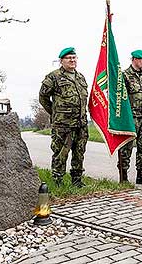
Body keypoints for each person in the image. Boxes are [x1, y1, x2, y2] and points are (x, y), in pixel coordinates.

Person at [39, 47, 89, 187]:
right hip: (63, 125)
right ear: (61, 61)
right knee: (61, 153)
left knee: (79, 152)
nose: (72, 60)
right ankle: (58, 181)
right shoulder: (53, 77)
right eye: (69, 58)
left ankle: (77, 180)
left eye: (74, 57)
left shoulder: (80, 77)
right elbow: (43, 97)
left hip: (81, 124)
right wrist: (55, 113)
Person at [117, 50, 142, 185]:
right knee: (126, 148)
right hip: (130, 119)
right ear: (134, 59)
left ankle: (141, 174)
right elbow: (119, 100)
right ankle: (124, 176)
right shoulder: (124, 76)